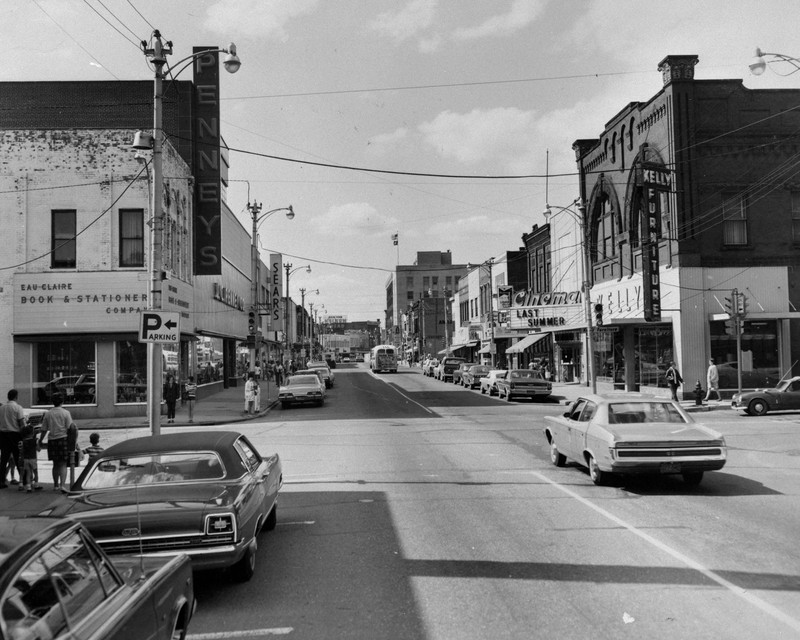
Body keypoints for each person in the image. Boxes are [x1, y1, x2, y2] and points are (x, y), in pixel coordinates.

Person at [37, 393, 76, 491]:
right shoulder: (66, 413)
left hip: (52, 440)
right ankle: (63, 485)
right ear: (62, 402)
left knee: (55, 464)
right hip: (63, 439)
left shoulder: (48, 413)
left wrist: (40, 441)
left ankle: (55, 485)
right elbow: (70, 428)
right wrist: (74, 442)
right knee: (63, 464)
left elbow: (44, 429)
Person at [0, 389, 26, 489]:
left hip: (3, 435)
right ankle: (22, 479)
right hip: (15, 434)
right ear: (16, 397)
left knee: (4, 459)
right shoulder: (18, 407)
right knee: (18, 457)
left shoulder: (1, 408)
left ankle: (1, 480)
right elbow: (21, 422)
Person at [18, 421, 42, 492]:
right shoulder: (35, 440)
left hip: (25, 459)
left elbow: (21, 450)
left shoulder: (23, 441)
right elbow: (38, 449)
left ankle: (28, 486)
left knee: (28, 472)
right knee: (35, 472)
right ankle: (36, 484)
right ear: (32, 433)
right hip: (33, 458)